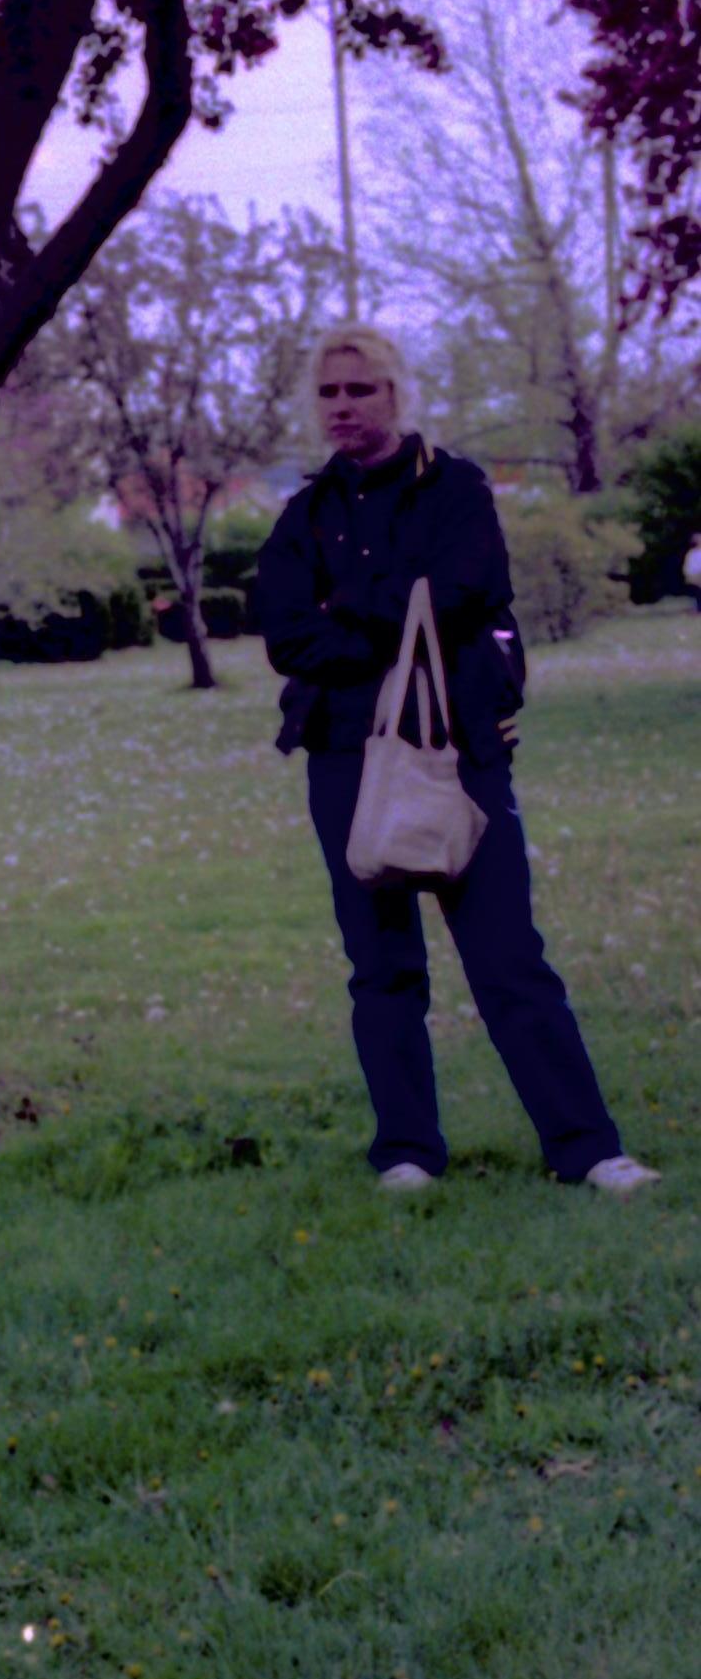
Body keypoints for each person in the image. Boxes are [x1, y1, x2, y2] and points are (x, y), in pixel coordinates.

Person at [251, 323, 657, 1197]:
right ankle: (406, 1153)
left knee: (510, 959)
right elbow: (287, 636)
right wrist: (396, 609)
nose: (345, 405)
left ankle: (589, 1150)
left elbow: (468, 588)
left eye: (361, 389)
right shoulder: (303, 514)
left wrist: (347, 611)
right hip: (346, 766)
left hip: (460, 755)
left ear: (396, 395)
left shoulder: (458, 489)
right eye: (329, 392)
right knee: (383, 969)